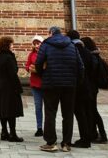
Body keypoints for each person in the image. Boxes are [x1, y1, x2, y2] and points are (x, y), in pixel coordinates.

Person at [35, 25, 83, 153]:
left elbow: (38, 63)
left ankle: (51, 143)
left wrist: (42, 75)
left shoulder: (46, 45)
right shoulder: (72, 45)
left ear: (51, 33)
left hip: (50, 84)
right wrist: (76, 81)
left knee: (50, 112)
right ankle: (66, 143)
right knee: (68, 114)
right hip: (69, 85)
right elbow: (80, 66)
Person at [67, 29, 95, 148]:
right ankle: (89, 136)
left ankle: (85, 140)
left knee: (80, 114)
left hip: (78, 88)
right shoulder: (87, 52)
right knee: (87, 113)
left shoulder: (72, 51)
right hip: (88, 87)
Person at [0, 36, 24, 142]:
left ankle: (4, 132)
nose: (13, 46)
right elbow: (13, 73)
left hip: (0, 85)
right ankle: (12, 134)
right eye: (11, 44)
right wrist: (18, 88)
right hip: (10, 86)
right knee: (11, 110)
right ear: (7, 45)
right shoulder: (9, 57)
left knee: (3, 109)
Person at [81, 37, 108, 144]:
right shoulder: (96, 56)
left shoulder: (92, 57)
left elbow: (91, 72)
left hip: (91, 88)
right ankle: (94, 134)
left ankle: (102, 135)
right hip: (93, 88)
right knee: (91, 111)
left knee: (93, 111)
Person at [24, 34, 45, 137]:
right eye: (35, 44)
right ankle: (39, 128)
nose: (37, 45)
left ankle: (49, 127)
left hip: (46, 84)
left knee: (49, 108)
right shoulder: (31, 54)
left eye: (38, 43)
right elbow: (27, 65)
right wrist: (29, 68)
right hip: (35, 84)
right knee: (38, 107)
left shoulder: (46, 53)